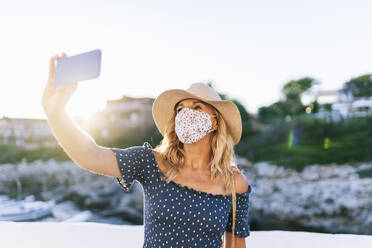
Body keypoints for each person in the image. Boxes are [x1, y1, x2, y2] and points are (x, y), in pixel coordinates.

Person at [42, 53, 252, 248]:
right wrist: (55, 113)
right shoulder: (151, 163)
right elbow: (92, 155)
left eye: (197, 107)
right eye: (181, 109)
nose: (187, 114)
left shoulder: (235, 184)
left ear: (215, 122)